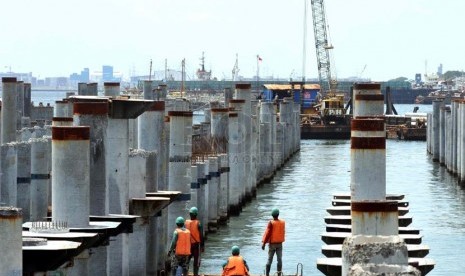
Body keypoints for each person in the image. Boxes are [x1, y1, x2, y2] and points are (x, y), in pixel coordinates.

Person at [261, 208, 285, 276]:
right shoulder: (282, 222)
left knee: (269, 259)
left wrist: (264, 243)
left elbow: (267, 233)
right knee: (279, 260)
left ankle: (267, 275)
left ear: (272, 215)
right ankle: (279, 274)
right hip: (280, 244)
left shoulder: (271, 223)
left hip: (272, 244)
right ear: (278, 215)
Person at [185, 207, 204, 276]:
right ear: (196, 214)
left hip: (188, 244)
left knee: (187, 260)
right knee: (196, 260)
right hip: (196, 244)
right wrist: (202, 245)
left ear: (190, 214)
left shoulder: (186, 223)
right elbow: (201, 235)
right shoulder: (198, 223)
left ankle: (185, 273)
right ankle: (195, 274)